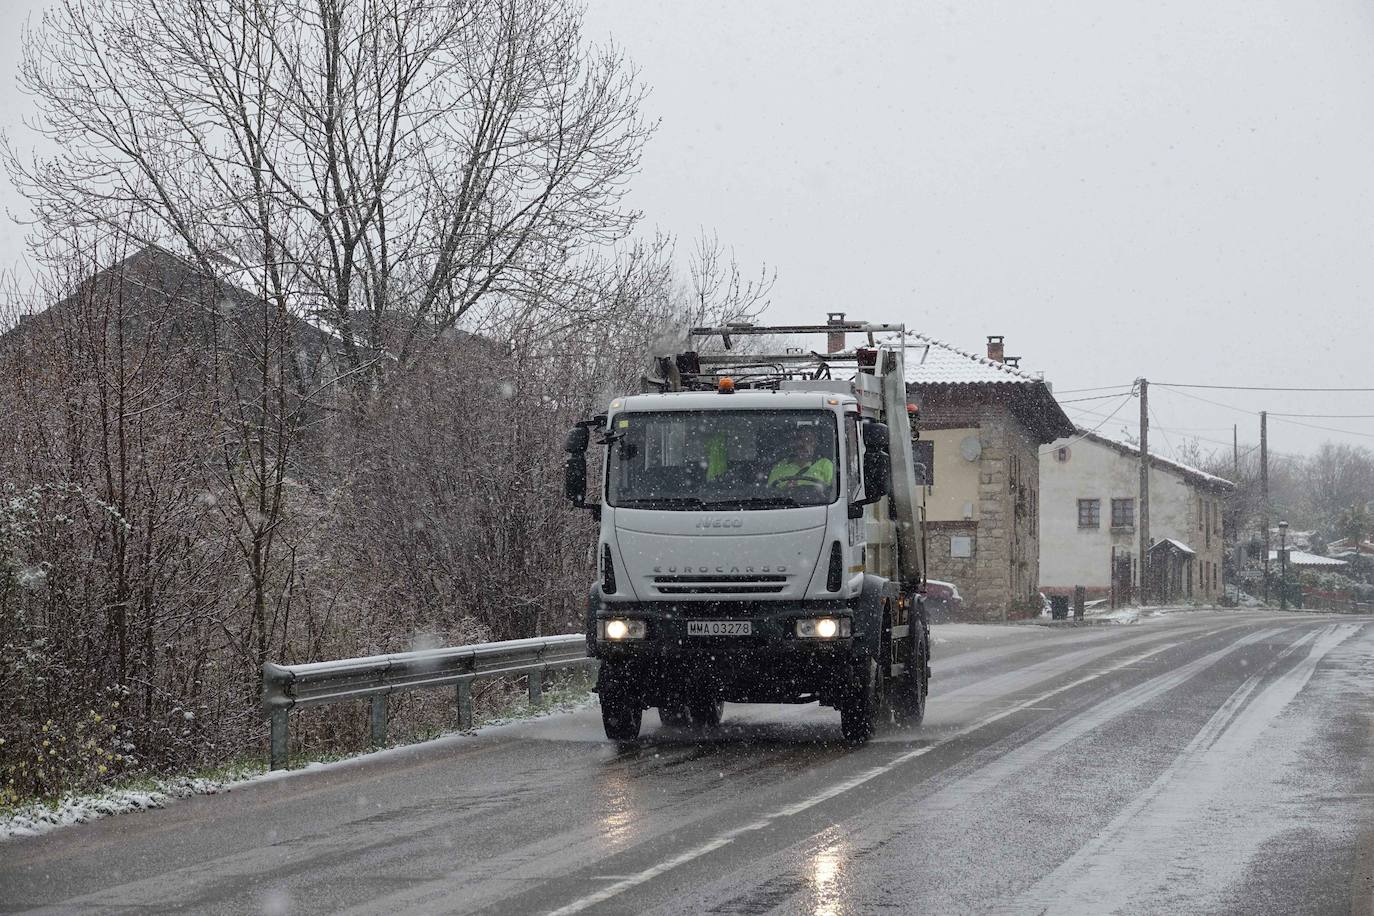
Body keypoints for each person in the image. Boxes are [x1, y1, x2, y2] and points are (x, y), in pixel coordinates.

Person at [767, 425, 834, 490]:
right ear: (794, 444)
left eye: (809, 441)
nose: (804, 444)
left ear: (815, 444)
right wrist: (786, 489)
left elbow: (832, 493)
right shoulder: (779, 467)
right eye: (800, 440)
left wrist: (820, 492)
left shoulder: (825, 464)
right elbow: (770, 495)